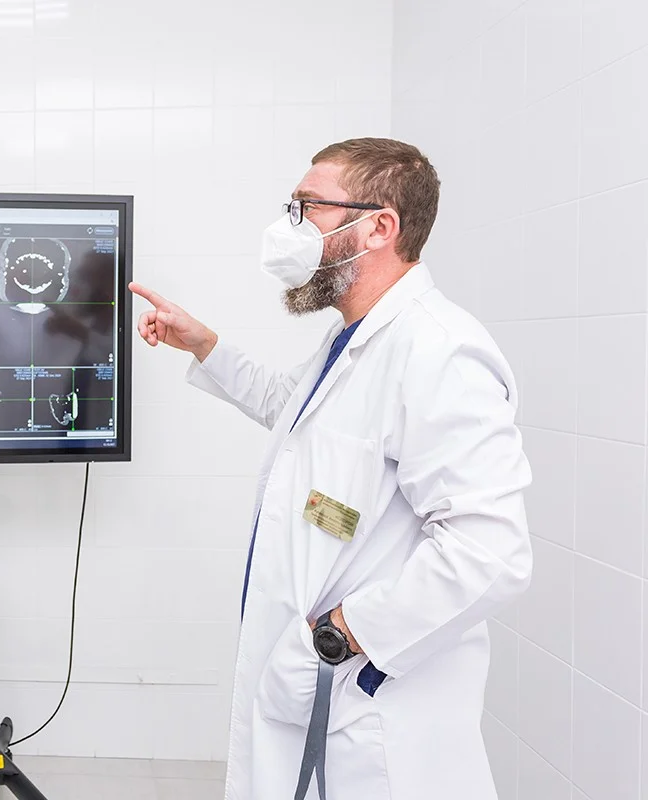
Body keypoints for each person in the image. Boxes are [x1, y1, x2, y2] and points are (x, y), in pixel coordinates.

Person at [130, 138, 532, 800]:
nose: (288, 227)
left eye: (307, 207)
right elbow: (291, 409)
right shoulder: (354, 339)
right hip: (326, 689)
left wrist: (339, 636)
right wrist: (203, 344)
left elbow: (489, 554)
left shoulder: (440, 352)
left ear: (379, 227)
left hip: (373, 710)